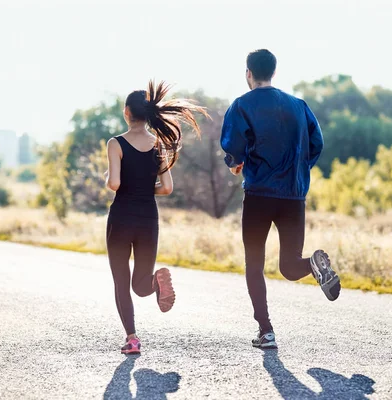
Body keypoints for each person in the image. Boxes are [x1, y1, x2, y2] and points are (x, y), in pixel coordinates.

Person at [220, 49, 341, 350]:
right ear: (273, 72)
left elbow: (233, 147)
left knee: (254, 264)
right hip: (293, 195)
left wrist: (236, 162)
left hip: (259, 194)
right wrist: (298, 170)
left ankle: (266, 331)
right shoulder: (298, 105)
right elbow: (317, 143)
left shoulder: (242, 105)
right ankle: (314, 265)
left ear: (248, 73)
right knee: (289, 266)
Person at [105, 80, 208, 354]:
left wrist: (110, 178)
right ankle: (155, 281)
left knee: (121, 281)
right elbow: (166, 188)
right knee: (140, 285)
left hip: (122, 217)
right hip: (148, 219)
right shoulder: (159, 145)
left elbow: (114, 184)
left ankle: (132, 338)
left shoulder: (116, 144)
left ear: (127, 112)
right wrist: (142, 186)